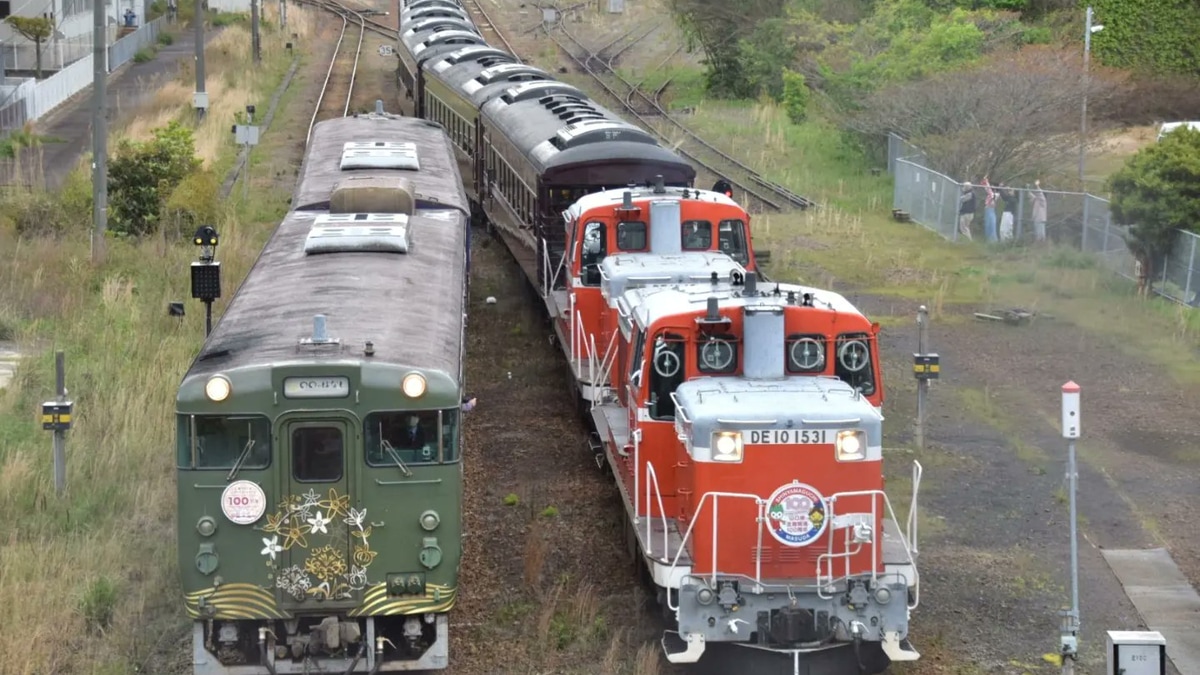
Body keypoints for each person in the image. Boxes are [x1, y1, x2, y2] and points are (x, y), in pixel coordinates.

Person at [981, 176, 998, 242]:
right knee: (988, 225)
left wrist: (986, 182)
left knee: (991, 224)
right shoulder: (991, 194)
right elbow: (987, 189)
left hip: (990, 210)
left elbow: (988, 190)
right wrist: (985, 182)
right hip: (988, 209)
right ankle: (989, 240)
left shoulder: (995, 194)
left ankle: (993, 240)